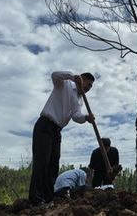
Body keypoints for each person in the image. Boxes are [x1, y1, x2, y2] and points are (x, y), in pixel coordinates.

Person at [29, 71, 95, 206]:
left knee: (53, 165)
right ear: (81, 79)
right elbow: (54, 75)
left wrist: (86, 118)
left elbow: (76, 116)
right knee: (42, 162)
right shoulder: (64, 84)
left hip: (57, 130)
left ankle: (48, 198)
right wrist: (72, 76)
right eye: (87, 85)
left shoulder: (79, 100)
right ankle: (35, 198)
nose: (88, 89)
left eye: (90, 88)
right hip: (45, 125)